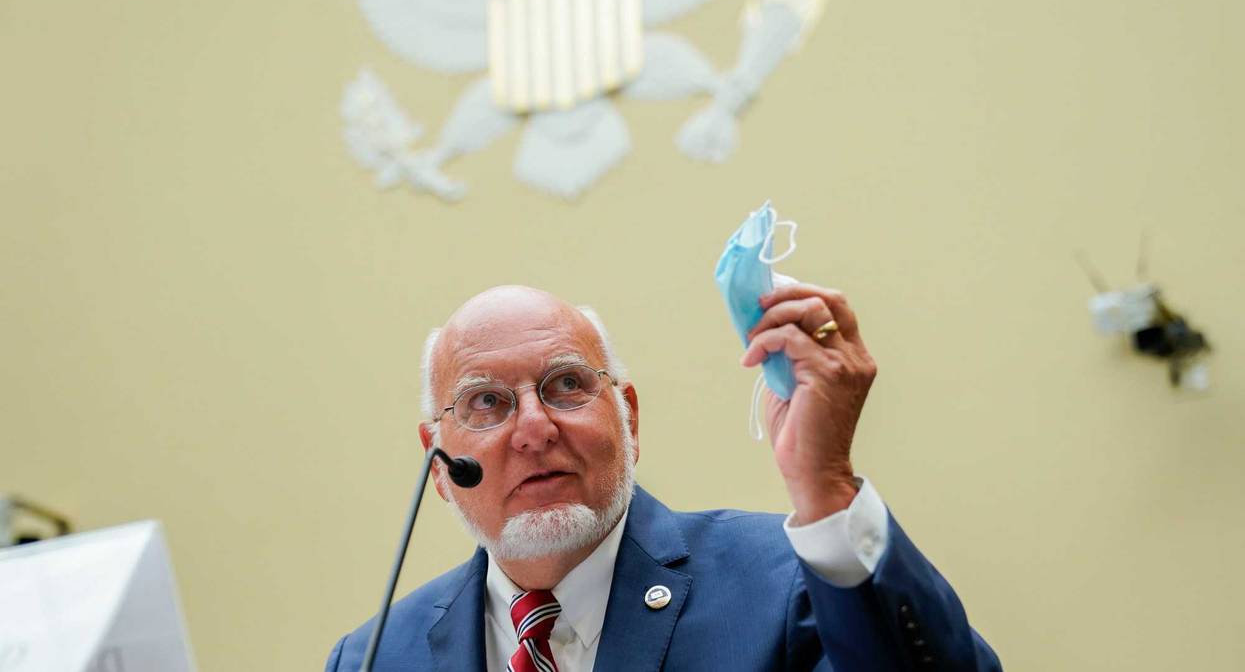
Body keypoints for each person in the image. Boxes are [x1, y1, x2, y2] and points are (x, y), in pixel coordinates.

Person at [326, 285, 1000, 671]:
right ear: (438, 464)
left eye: (565, 385)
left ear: (629, 419)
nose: (533, 427)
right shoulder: (373, 657)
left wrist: (824, 485)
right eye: (485, 402)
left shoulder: (790, 586)